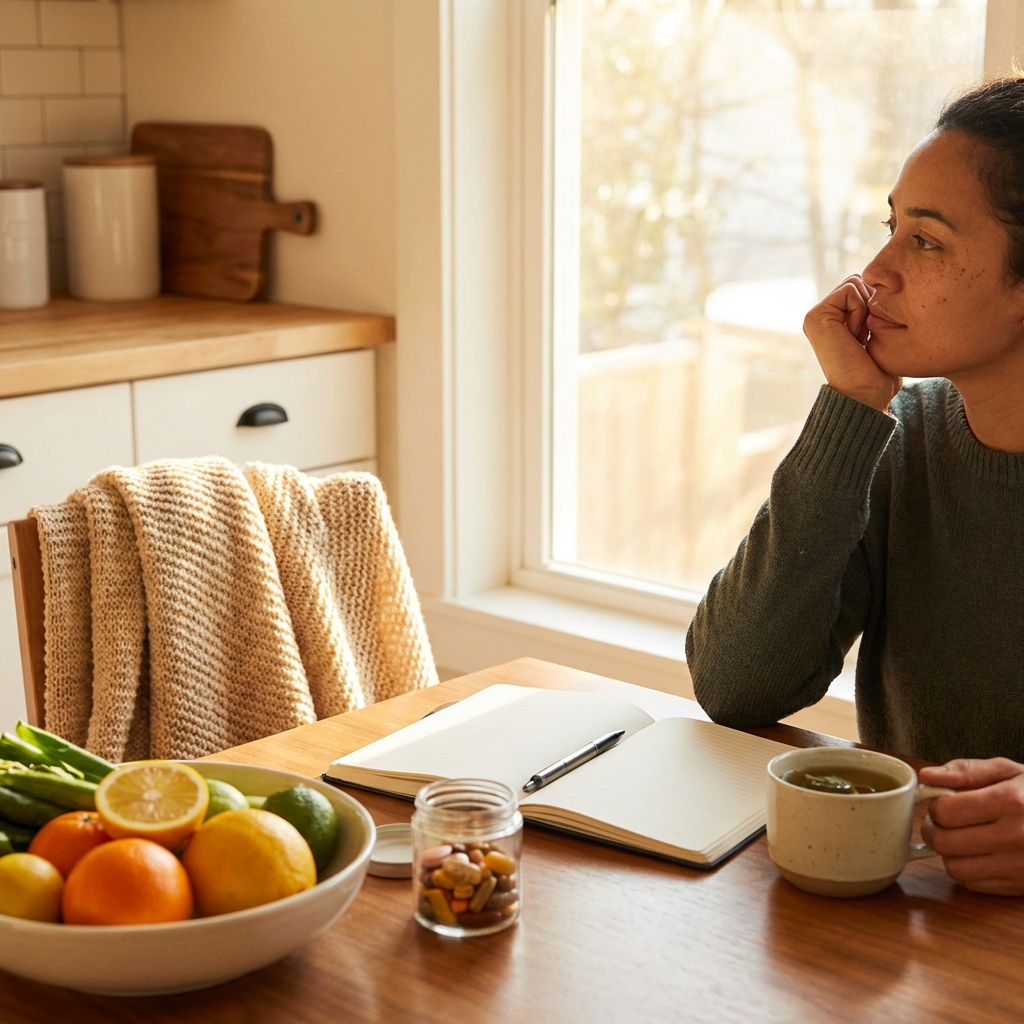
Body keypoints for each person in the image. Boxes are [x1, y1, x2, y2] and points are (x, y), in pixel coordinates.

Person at [685, 77, 1024, 895]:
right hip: (912, 918)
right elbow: (737, 685)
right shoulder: (899, 443)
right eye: (891, 228)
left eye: (928, 241)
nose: (873, 274)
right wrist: (851, 408)